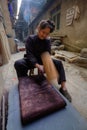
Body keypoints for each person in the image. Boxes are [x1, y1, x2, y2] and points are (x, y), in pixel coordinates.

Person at [14, 19, 72, 102]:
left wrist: (47, 64)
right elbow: (29, 55)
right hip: (31, 61)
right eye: (43, 32)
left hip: (42, 61)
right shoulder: (30, 39)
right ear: (39, 28)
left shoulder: (47, 41)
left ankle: (63, 88)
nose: (44, 35)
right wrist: (38, 65)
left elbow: (47, 54)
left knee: (58, 63)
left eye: (47, 34)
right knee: (18, 64)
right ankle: (25, 84)